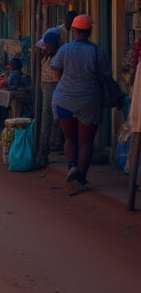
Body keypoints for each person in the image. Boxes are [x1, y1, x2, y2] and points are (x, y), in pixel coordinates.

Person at [50, 14, 111, 195]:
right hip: (89, 101)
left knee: (70, 139)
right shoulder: (97, 51)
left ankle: (72, 166)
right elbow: (105, 75)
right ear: (89, 31)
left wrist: (65, 83)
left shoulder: (65, 50)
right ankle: (81, 177)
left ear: (74, 31)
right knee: (86, 142)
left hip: (64, 99)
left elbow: (56, 70)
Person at [35, 28, 61, 166]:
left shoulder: (58, 56)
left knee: (49, 120)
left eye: (47, 45)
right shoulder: (46, 56)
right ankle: (44, 150)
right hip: (45, 88)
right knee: (46, 119)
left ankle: (44, 151)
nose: (45, 47)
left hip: (55, 88)